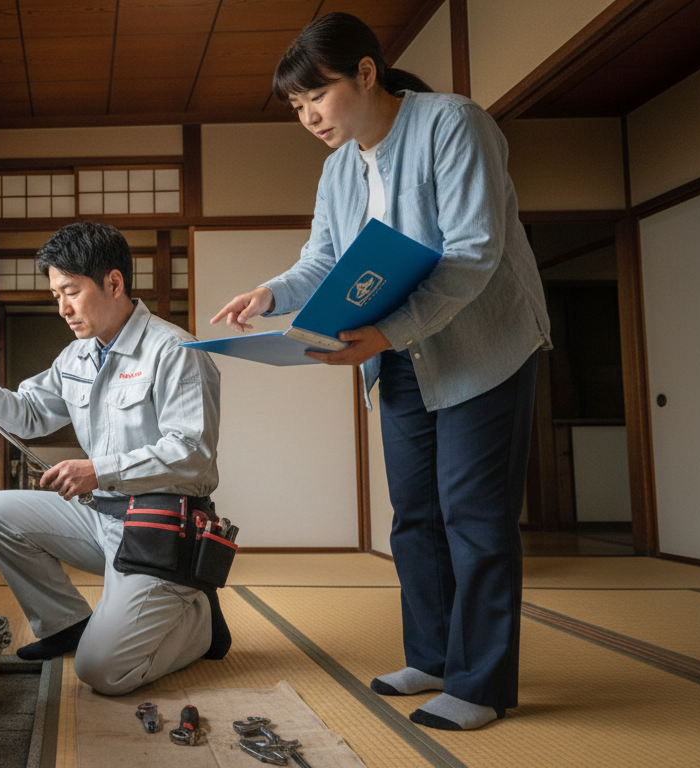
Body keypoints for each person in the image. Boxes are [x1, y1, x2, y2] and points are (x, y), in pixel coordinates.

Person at [210, 12, 550, 730]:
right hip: (395, 358)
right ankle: (430, 656)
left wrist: (386, 333)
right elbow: (324, 261)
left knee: (476, 518)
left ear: (366, 73)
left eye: (317, 98)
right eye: (297, 109)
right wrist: (271, 293)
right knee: (415, 517)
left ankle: (480, 684)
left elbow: (474, 252)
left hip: (481, 350)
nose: (309, 118)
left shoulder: (453, 125)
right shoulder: (339, 168)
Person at [0, 221, 229, 696]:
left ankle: (199, 618)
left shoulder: (174, 351)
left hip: (160, 529)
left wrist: (98, 471)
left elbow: (192, 453)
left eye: (71, 291)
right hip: (100, 521)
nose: (63, 308)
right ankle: (65, 624)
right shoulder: (76, 358)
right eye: (56, 296)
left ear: (113, 282)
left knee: (102, 672)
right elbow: (28, 414)